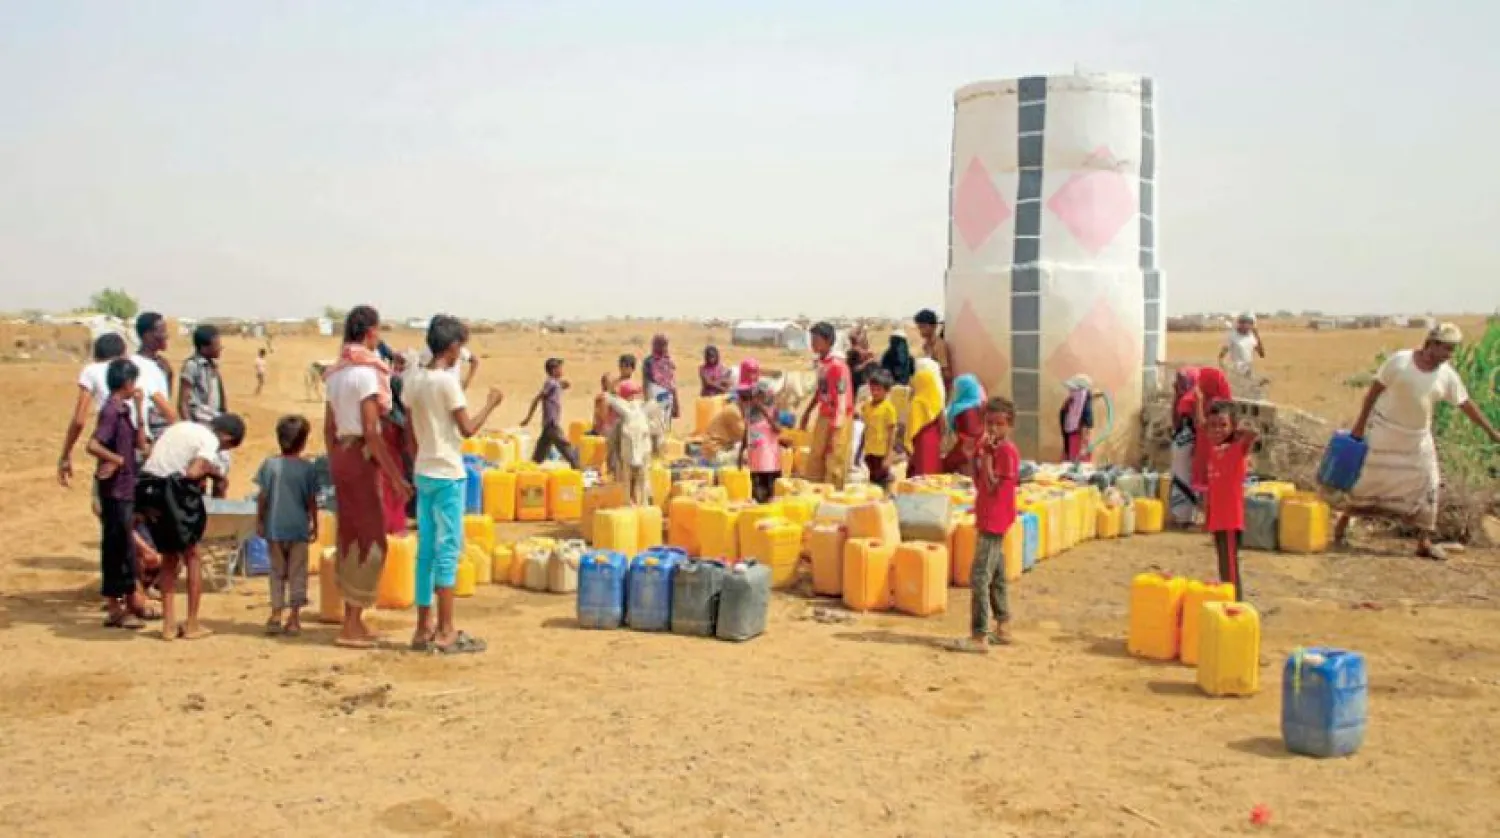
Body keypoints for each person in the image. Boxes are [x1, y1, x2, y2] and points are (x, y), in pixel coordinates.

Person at [1336, 323, 1500, 561]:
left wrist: (1491, 432)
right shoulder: (1400, 362)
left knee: (1429, 484)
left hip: (1418, 440)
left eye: (1452, 351)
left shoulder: (1446, 376)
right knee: (1366, 483)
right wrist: (1360, 426)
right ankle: (1341, 526)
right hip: (1385, 433)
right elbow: (1373, 392)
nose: (1448, 355)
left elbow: (1466, 405)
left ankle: (1424, 541)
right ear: (1430, 344)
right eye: (1444, 348)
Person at [405, 314, 503, 654]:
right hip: (447, 474)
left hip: (424, 471)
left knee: (426, 552)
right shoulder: (446, 383)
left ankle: (422, 627)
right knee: (447, 552)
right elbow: (468, 428)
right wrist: (491, 404)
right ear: (452, 347)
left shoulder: (415, 379)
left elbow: (410, 424)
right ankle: (446, 630)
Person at [323, 306, 411, 649]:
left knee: (350, 534)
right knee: (371, 538)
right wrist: (396, 478)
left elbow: (329, 429)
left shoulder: (335, 374)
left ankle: (354, 616)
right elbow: (372, 432)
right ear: (371, 333)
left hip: (343, 455)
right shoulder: (366, 375)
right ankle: (351, 624)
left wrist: (337, 462)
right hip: (361, 455)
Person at [137, 413, 247, 640]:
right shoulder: (209, 440)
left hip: (148, 489)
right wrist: (216, 474)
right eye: (227, 446)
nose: (221, 451)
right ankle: (192, 622)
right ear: (226, 437)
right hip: (171, 493)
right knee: (192, 555)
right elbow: (193, 472)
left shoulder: (181, 427)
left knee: (168, 556)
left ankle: (168, 624)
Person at [87, 358, 157, 628]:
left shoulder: (124, 410)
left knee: (123, 546)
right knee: (118, 547)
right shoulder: (111, 412)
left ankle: (128, 602)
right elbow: (93, 445)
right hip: (115, 489)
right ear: (127, 383)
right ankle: (118, 607)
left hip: (125, 487)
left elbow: (140, 443)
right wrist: (116, 460)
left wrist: (140, 409)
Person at [955, 397, 1020, 653]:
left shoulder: (1006, 451)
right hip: (987, 515)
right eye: (989, 423)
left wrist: (988, 457)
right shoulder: (991, 449)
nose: (993, 429)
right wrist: (975, 457)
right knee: (996, 574)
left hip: (996, 519)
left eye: (999, 424)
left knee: (980, 575)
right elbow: (978, 481)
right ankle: (1003, 625)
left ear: (1009, 425)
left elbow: (994, 485)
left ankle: (979, 635)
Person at [255, 415, 319, 637]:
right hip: (298, 529)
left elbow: (262, 497)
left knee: (276, 572)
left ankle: (275, 613)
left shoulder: (269, 465)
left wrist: (259, 521)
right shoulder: (308, 469)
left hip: (274, 528)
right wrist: (315, 524)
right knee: (297, 573)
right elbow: (311, 501)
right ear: (302, 442)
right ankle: (294, 618)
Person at [1199, 401, 1257, 602]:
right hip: (1217, 520)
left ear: (1232, 426)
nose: (1217, 430)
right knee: (1223, 566)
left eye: (1223, 425)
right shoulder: (1214, 452)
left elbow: (1251, 435)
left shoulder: (1236, 450)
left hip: (1231, 521)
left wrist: (1241, 430)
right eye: (1212, 425)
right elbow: (1213, 491)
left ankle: (1236, 606)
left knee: (1231, 569)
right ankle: (1228, 603)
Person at [58, 332, 130, 491]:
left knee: (104, 504)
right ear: (123, 353)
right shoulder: (133, 369)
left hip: (113, 441)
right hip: (138, 438)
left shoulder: (92, 371)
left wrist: (65, 454)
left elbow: (79, 420)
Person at [798, 322, 855, 490]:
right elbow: (820, 390)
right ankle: (815, 491)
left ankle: (833, 494)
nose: (813, 343)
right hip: (824, 414)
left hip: (839, 417)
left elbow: (842, 396)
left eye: (816, 339)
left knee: (835, 458)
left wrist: (837, 424)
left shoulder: (838, 366)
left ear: (828, 341)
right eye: (812, 339)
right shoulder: (822, 364)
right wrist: (807, 412)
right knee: (816, 455)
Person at [605, 380, 664, 506]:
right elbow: (612, 441)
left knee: (644, 477)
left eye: (636, 395)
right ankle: (629, 500)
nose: (634, 399)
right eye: (631, 396)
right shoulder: (620, 419)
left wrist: (657, 446)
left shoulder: (647, 412)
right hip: (626, 454)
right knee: (626, 478)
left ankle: (645, 500)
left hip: (644, 452)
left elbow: (658, 430)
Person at [522, 358, 580, 468]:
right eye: (560, 368)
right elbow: (538, 398)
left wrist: (562, 385)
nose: (562, 370)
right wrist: (528, 417)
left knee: (540, 452)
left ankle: (530, 470)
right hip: (552, 423)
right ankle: (578, 470)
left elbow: (558, 387)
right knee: (565, 446)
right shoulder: (550, 383)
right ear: (554, 370)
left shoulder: (554, 383)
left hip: (548, 424)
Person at [131, 312, 179, 441]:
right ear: (147, 335)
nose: (166, 335)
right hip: (145, 434)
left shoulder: (162, 365)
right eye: (162, 331)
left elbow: (165, 400)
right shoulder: (135, 365)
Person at [739, 382, 782, 503]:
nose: (758, 398)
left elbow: (778, 429)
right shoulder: (749, 411)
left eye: (761, 395)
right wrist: (741, 453)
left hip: (769, 462)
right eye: (757, 396)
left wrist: (764, 411)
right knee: (756, 496)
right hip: (755, 461)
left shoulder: (773, 410)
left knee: (771, 496)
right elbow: (746, 432)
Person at [857, 371, 899, 490]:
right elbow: (865, 428)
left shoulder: (888, 408)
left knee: (882, 480)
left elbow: (892, 432)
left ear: (887, 391)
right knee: (873, 478)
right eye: (872, 389)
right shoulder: (868, 406)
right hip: (870, 450)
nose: (875, 393)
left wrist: (889, 455)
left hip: (881, 452)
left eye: (878, 390)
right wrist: (860, 450)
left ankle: (887, 498)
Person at [179, 323, 226, 426]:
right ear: (204, 347)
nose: (220, 348)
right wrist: (190, 428)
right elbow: (183, 403)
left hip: (214, 421)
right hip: (200, 424)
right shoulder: (192, 365)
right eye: (217, 345)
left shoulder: (212, 365)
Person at [905, 360, 946, 477]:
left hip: (920, 443)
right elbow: (942, 425)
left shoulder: (916, 403)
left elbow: (910, 429)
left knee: (921, 473)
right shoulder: (937, 401)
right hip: (934, 441)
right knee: (934, 470)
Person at [942, 374, 987, 476]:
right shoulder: (977, 405)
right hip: (976, 451)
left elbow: (970, 438)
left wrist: (954, 457)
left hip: (968, 455)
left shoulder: (965, 411)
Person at [642, 334, 680, 431]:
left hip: (668, 397)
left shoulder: (669, 361)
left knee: (666, 426)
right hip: (654, 397)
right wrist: (647, 402)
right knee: (655, 425)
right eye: (661, 345)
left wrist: (676, 403)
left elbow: (672, 383)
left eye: (665, 345)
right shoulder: (648, 362)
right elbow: (646, 383)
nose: (664, 348)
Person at [1059, 375, 1097, 463]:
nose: (1071, 392)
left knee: (1078, 468)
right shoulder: (1071, 403)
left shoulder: (1084, 407)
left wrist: (1083, 446)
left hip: (1079, 440)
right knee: (1070, 465)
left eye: (1073, 389)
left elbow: (1086, 426)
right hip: (1072, 438)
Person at [915, 309, 953, 394]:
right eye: (919, 327)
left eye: (923, 327)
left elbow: (946, 374)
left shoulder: (939, 345)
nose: (921, 330)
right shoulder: (925, 346)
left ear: (934, 326)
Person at [1219, 314, 1265, 379]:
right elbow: (1222, 355)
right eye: (1243, 323)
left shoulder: (1251, 337)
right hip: (1235, 371)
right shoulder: (1232, 336)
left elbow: (1261, 354)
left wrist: (1257, 335)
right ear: (1239, 324)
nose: (1246, 326)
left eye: (1250, 324)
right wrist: (1224, 367)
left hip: (1248, 371)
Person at [846, 327, 879, 397]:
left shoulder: (865, 352)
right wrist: (867, 362)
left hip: (865, 385)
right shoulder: (853, 353)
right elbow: (853, 370)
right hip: (855, 386)